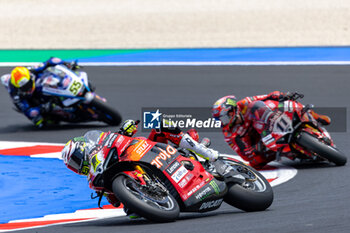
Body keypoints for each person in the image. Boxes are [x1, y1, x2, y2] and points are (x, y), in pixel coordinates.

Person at [61, 119, 220, 217]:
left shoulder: (104, 145)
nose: (78, 166)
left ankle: (203, 151)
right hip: (150, 185)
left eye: (76, 160)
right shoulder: (95, 178)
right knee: (132, 215)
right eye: (73, 166)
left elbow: (121, 137)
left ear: (83, 148)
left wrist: (126, 130)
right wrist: (113, 195)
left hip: (150, 150)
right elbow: (116, 202)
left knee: (159, 122)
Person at [211, 91, 331, 169]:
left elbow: (268, 96)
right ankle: (295, 151)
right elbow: (245, 154)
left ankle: (314, 116)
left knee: (265, 104)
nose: (223, 122)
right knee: (256, 162)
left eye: (224, 117)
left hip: (271, 120)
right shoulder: (229, 133)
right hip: (263, 141)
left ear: (232, 110)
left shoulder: (245, 103)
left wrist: (282, 96)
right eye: (220, 120)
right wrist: (252, 152)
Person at [1, 57, 79, 128]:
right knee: (41, 122)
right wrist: (42, 108)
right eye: (24, 87)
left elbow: (50, 61)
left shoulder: (30, 71)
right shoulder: (17, 97)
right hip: (30, 100)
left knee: (52, 78)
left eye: (27, 85)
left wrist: (65, 63)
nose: (27, 88)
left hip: (40, 83)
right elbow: (29, 111)